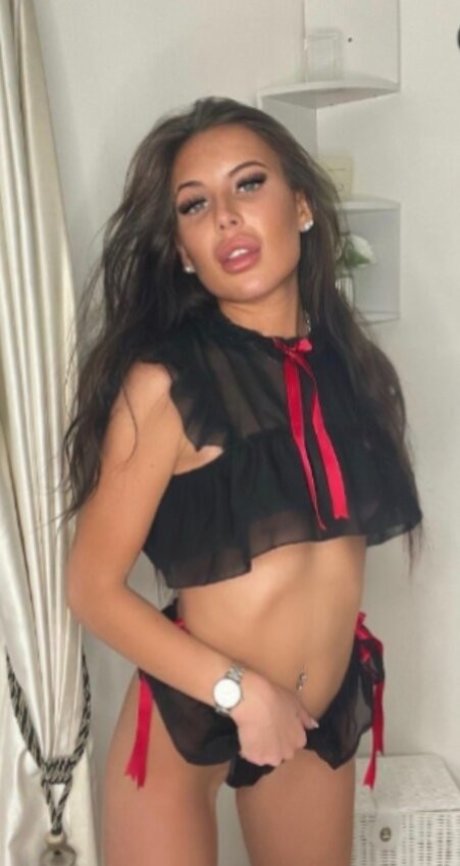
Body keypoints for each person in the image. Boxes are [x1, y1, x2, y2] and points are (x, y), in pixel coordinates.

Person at [62, 96, 423, 866]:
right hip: (196, 708)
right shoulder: (165, 384)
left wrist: (281, 702)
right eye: (195, 205)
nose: (226, 216)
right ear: (183, 251)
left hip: (311, 720)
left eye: (249, 184)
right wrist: (241, 693)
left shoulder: (352, 371)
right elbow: (91, 588)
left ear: (302, 206)